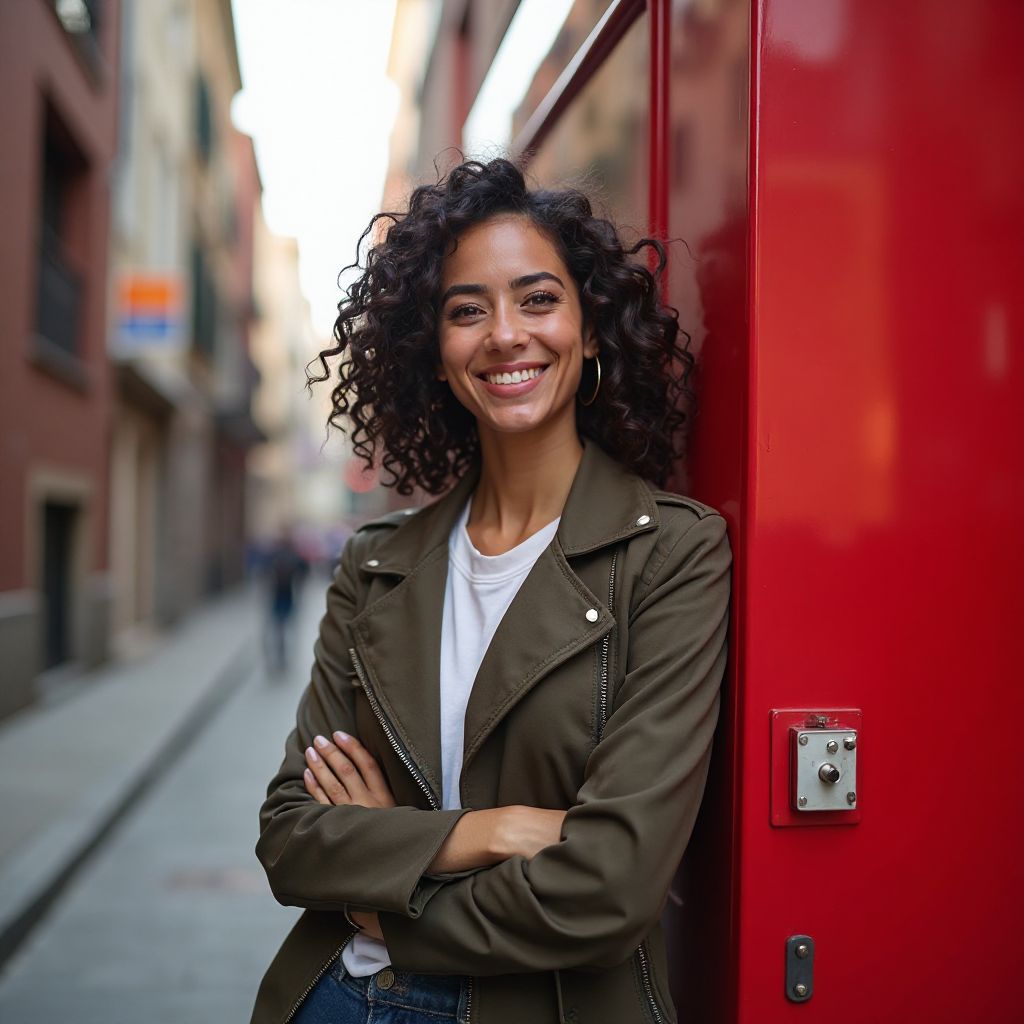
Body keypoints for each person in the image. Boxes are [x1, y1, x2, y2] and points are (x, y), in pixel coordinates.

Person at [250, 157, 732, 1024]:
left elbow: (610, 885)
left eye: (539, 299)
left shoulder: (672, 554)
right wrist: (496, 829)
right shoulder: (376, 563)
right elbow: (292, 836)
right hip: (340, 999)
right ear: (434, 355)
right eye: (466, 311)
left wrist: (386, 903)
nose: (505, 334)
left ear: (590, 332)